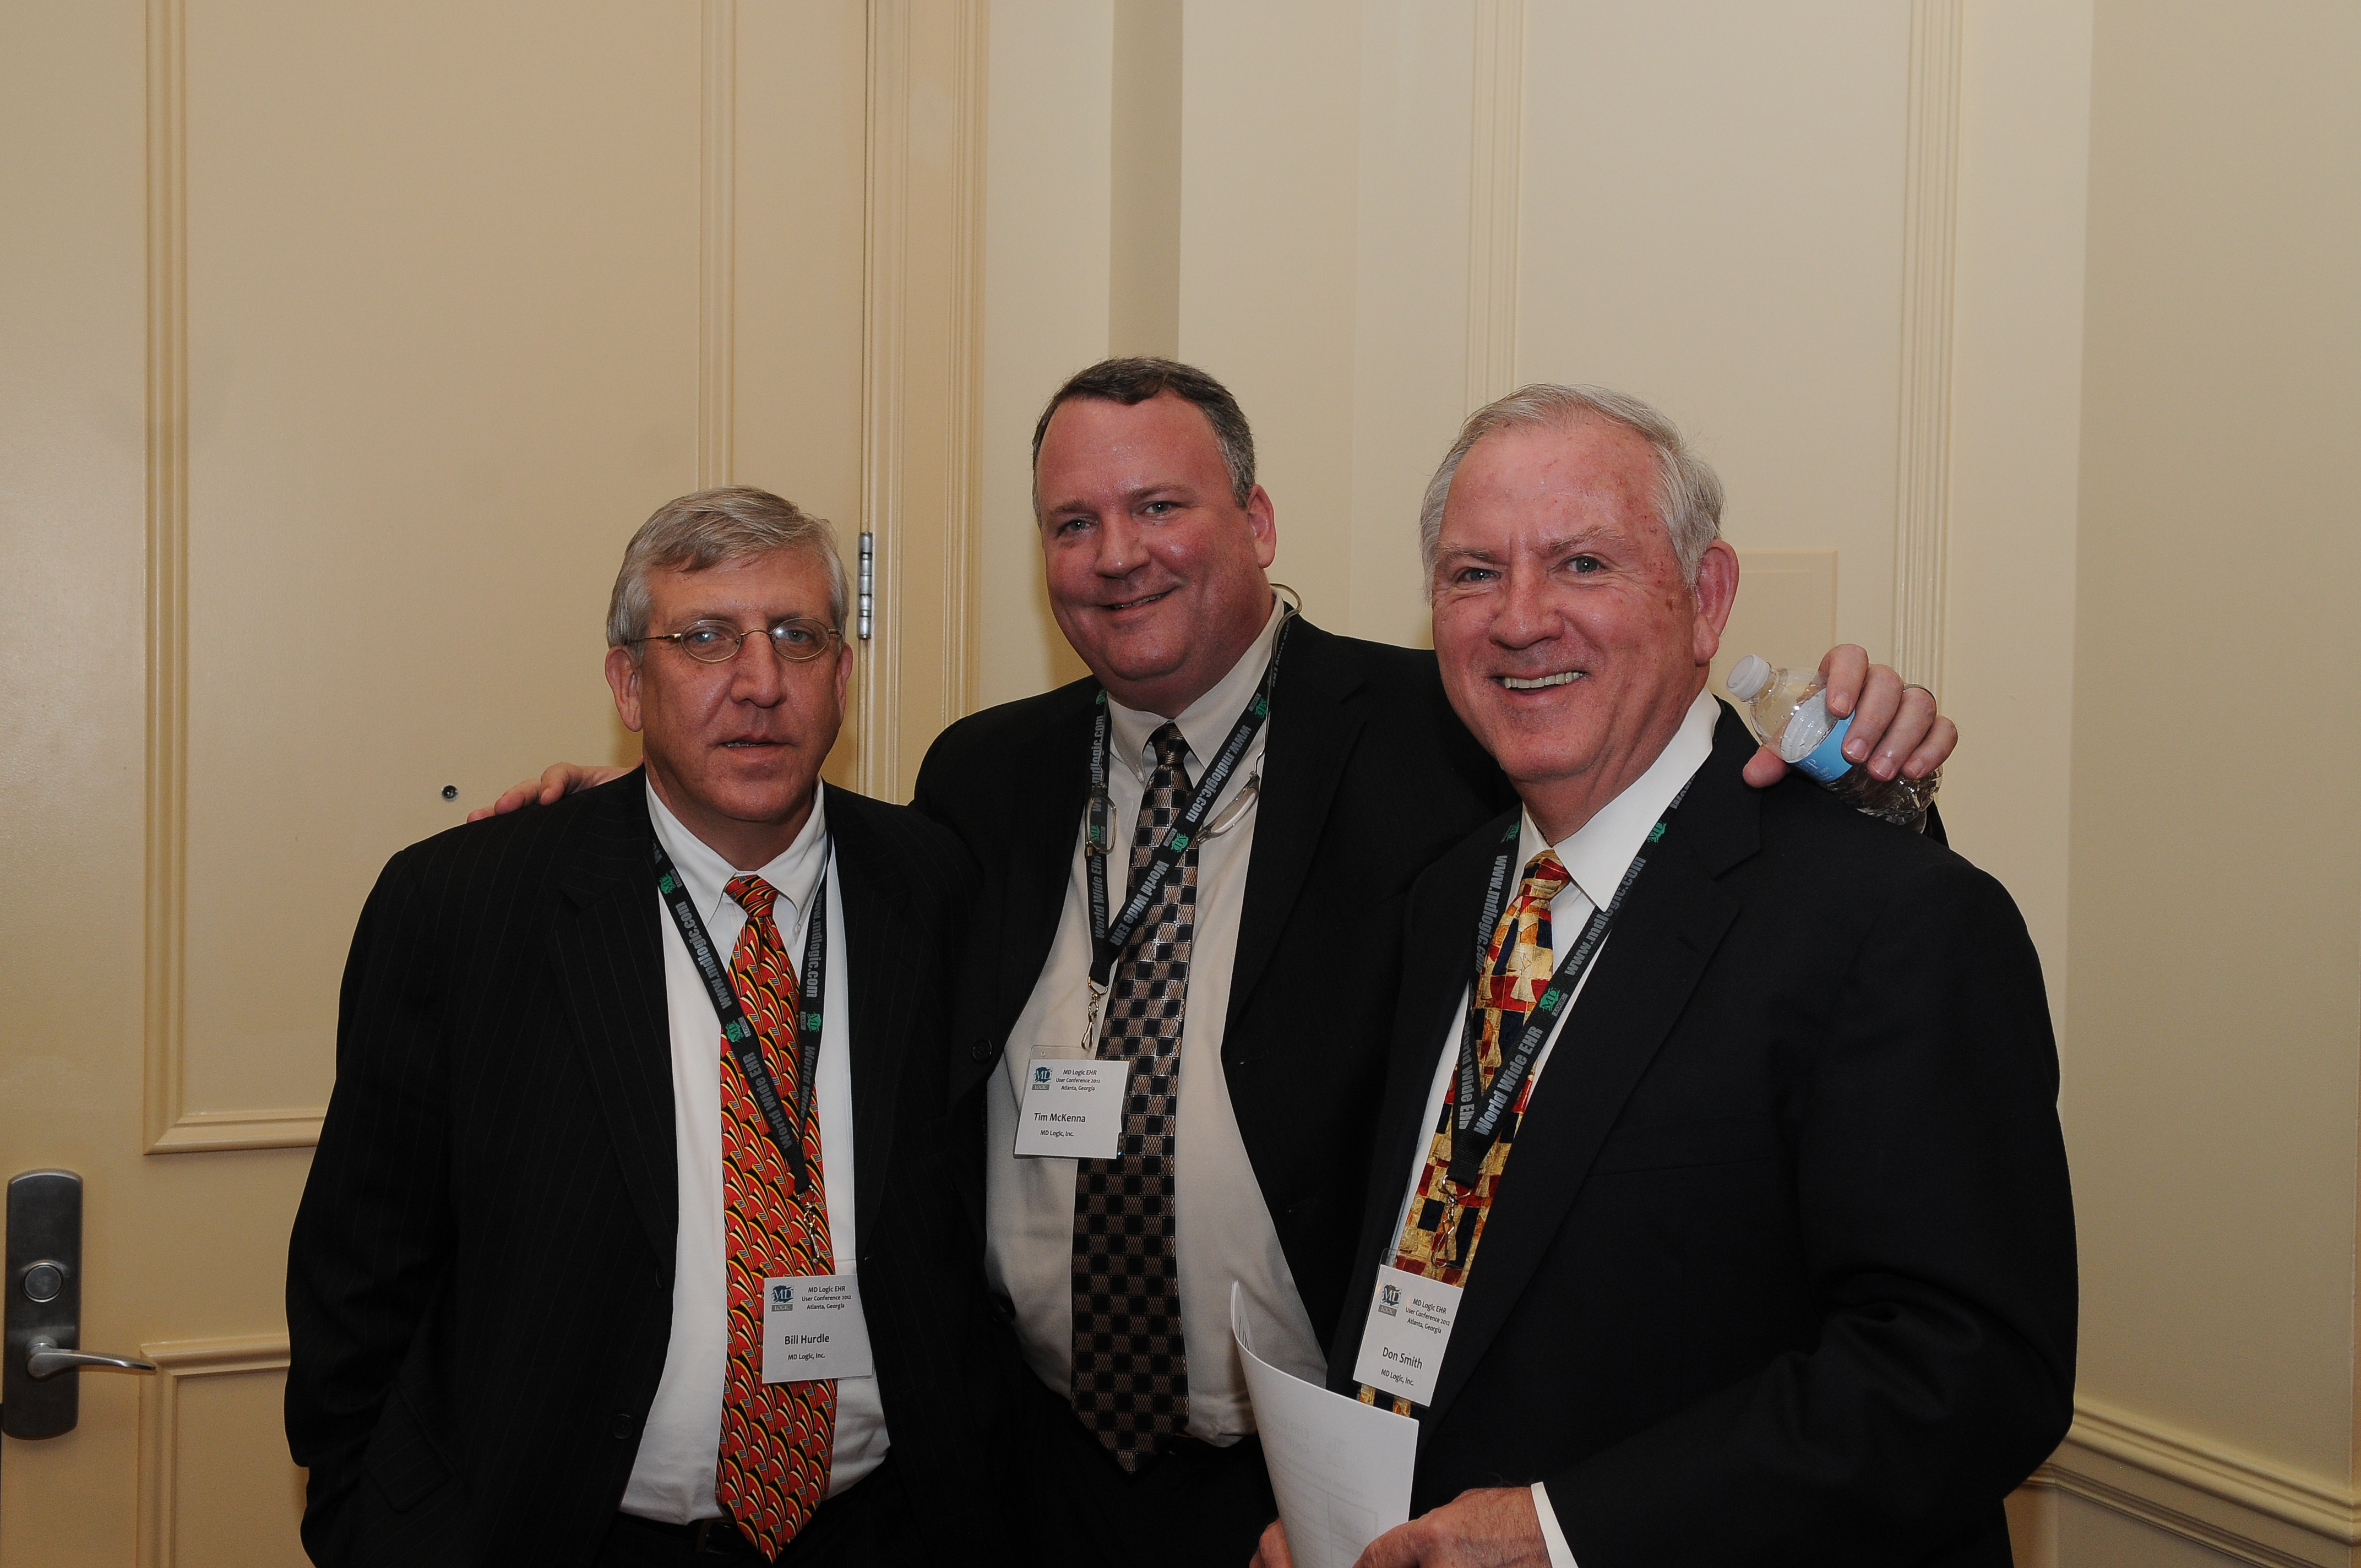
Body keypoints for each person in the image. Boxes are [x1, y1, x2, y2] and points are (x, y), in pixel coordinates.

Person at [485, 360, 1959, 1567]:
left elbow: (1666, 830)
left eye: (1161, 505)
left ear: (1257, 520)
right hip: (1024, 1472)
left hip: (1316, 1477)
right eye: (1072, 523)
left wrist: (1869, 769)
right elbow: (804, 883)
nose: (1117, 555)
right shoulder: (979, 782)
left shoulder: (1452, 735)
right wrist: (613, 831)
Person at [1254, 386, 2074, 1568]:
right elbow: (1451, 1266)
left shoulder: (1890, 915)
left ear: (1706, 600)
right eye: (1472, 573)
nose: (1520, 619)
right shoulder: (1445, 898)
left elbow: (1966, 1373)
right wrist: (1342, 1511)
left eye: (1581, 562)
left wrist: (1557, 1532)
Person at [285, 488, 1007, 1566]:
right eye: (706, 637)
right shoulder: (466, 906)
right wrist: (373, 1522)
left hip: (884, 1527)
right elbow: (360, 1272)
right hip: (559, 1534)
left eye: (797, 636)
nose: (759, 682)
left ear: (841, 675)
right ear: (629, 681)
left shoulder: (934, 882)